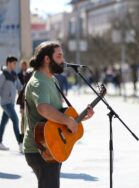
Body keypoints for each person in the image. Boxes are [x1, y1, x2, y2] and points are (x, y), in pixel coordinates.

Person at [23, 41, 95, 188]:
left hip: (51, 144)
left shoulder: (51, 79)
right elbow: (43, 109)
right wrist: (69, 121)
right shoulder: (39, 82)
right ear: (47, 59)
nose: (63, 60)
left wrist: (80, 119)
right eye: (59, 56)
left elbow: (56, 115)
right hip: (40, 148)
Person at [0, 56, 22, 151]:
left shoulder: (14, 75)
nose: (15, 65)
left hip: (11, 103)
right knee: (15, 120)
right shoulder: (3, 74)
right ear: (8, 63)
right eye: (13, 63)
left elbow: (19, 86)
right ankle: (20, 143)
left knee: (3, 123)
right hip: (5, 103)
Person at [16, 60, 33, 143]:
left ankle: (23, 141)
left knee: (25, 124)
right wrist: (22, 108)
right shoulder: (26, 86)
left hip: (29, 108)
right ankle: (21, 141)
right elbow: (22, 97)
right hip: (24, 107)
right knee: (23, 123)